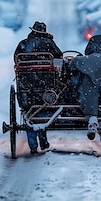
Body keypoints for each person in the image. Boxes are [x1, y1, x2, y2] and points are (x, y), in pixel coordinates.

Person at [14, 21, 63, 154]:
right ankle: (43, 140)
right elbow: (59, 58)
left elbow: (16, 59)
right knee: (43, 111)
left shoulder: (23, 44)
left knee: (29, 113)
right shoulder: (49, 43)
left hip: (26, 85)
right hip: (46, 85)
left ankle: (33, 144)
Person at [66, 35, 101, 140]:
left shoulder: (81, 61)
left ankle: (92, 119)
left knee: (87, 86)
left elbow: (70, 69)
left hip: (85, 97)